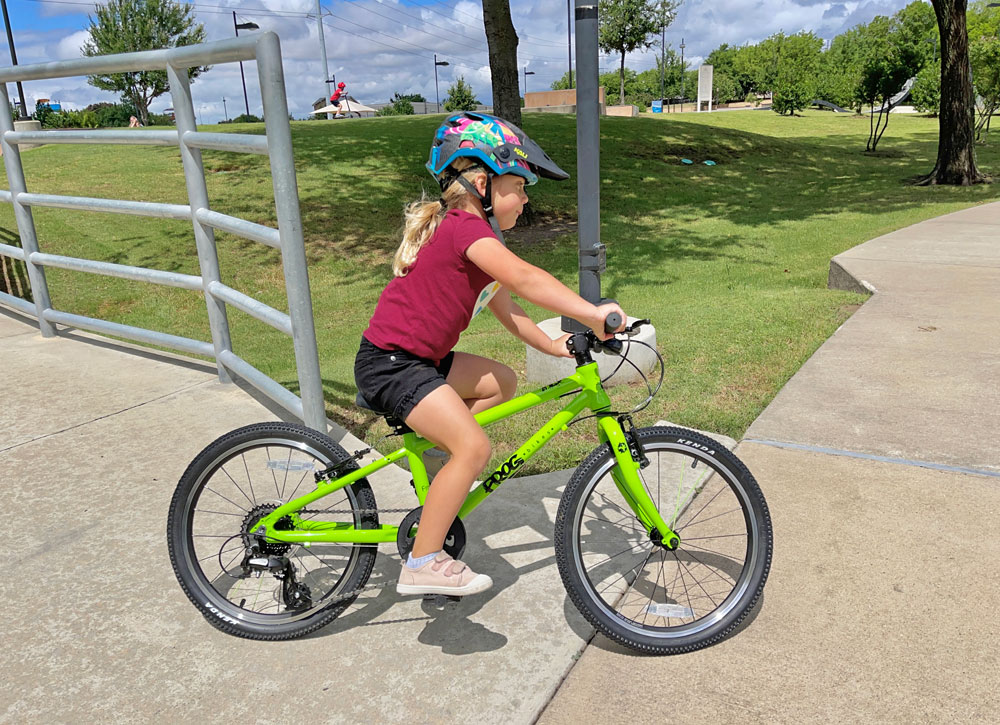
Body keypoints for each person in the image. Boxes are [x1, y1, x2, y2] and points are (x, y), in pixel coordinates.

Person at [354, 112, 626, 597]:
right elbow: (525, 278)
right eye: (518, 185)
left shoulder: (476, 237)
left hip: (419, 360)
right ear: (482, 181)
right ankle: (422, 561)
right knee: (474, 448)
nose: (524, 198)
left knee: (500, 381)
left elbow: (508, 305)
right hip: (392, 364)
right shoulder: (464, 229)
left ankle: (441, 474)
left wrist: (553, 345)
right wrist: (592, 314)